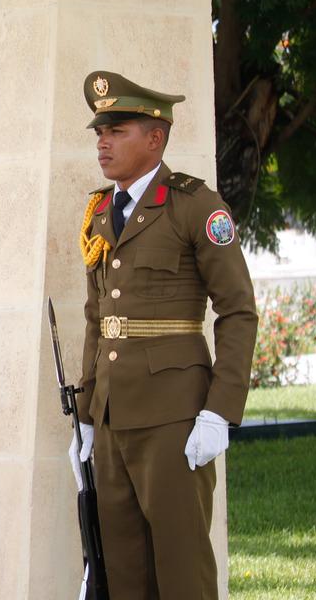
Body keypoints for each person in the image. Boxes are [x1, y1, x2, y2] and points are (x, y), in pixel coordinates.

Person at [71, 71, 258, 599]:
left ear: (156, 137)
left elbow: (238, 312)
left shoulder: (196, 206)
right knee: (124, 569)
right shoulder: (99, 213)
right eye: (99, 131)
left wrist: (220, 410)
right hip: (111, 416)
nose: (103, 142)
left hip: (175, 416)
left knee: (181, 569)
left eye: (118, 129)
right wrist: (87, 415)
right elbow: (97, 318)